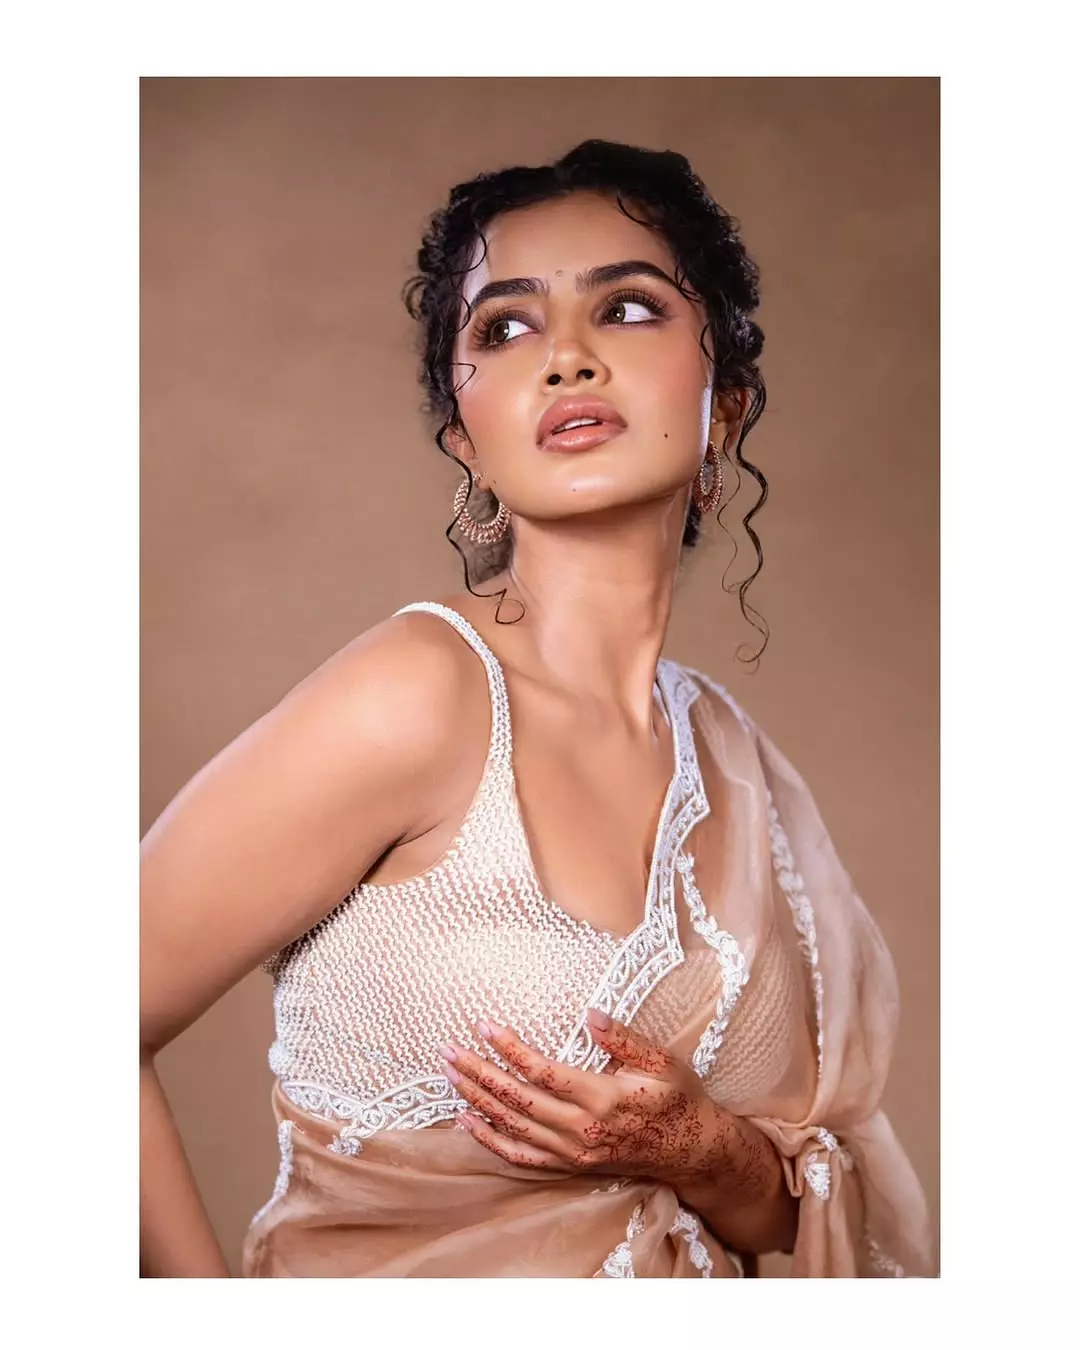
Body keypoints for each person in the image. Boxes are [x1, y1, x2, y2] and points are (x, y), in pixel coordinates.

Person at [140, 139, 935, 1278]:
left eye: (628, 308)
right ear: (467, 440)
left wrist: (706, 1150)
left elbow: (796, 1220)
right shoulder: (418, 695)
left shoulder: (734, 764)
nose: (566, 357)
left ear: (723, 406)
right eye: (506, 328)